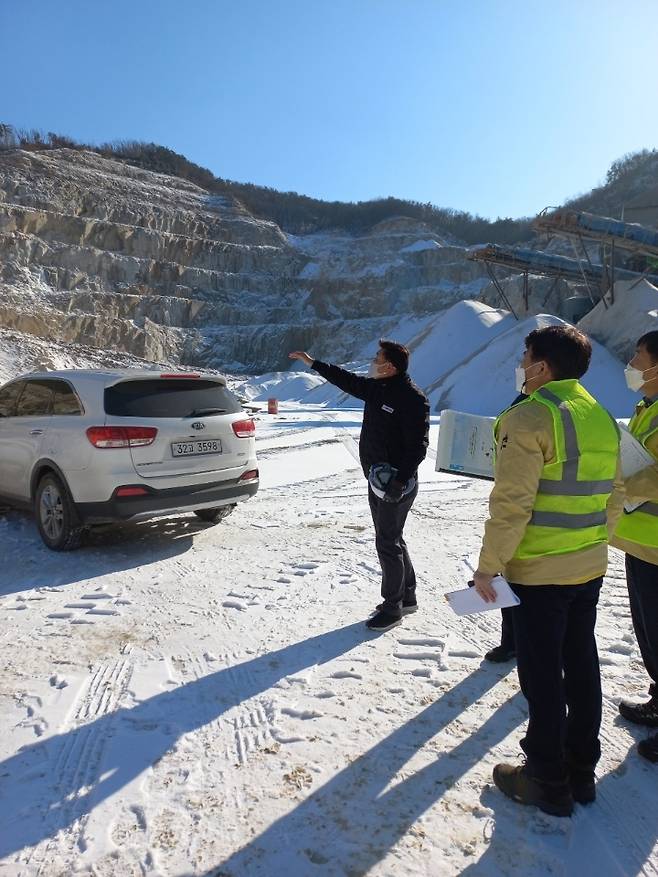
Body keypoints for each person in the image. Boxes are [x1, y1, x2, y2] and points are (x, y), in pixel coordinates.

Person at [472, 325, 622, 817]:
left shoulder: (533, 415)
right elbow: (615, 495)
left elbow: (512, 503)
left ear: (541, 366)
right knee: (580, 666)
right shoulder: (599, 414)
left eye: (525, 356)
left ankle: (545, 779)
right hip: (588, 566)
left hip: (539, 571)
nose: (522, 364)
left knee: (541, 675)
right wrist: (596, 539)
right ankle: (581, 771)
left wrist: (488, 568)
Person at [289, 341, 429, 632]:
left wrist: (400, 482)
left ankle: (392, 609)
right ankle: (408, 595)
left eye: (377, 358)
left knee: (387, 543)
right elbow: (347, 379)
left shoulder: (412, 399)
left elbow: (419, 447)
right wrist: (313, 362)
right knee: (393, 538)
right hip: (377, 481)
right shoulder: (378, 389)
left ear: (389, 366)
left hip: (396, 484)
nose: (373, 362)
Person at [611, 330, 658, 764]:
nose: (631, 361)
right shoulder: (646, 408)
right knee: (649, 632)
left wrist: (621, 476)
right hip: (642, 543)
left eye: (638, 354)